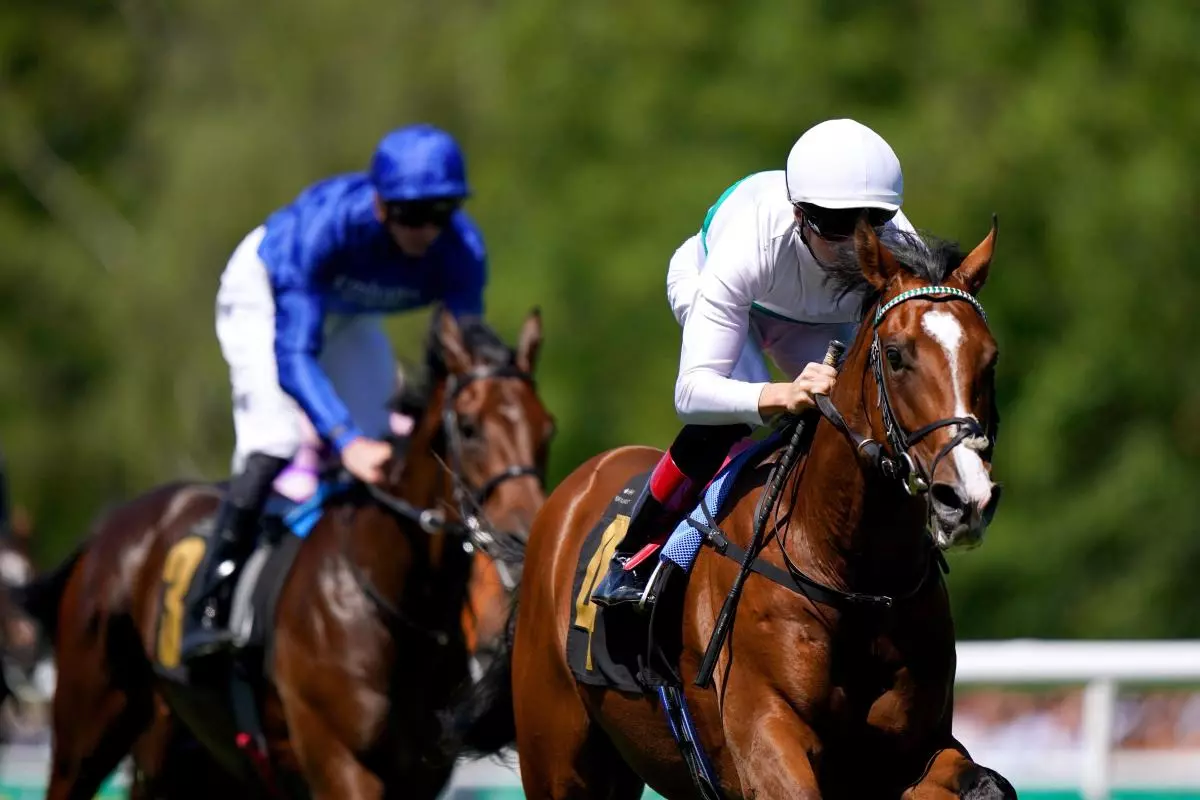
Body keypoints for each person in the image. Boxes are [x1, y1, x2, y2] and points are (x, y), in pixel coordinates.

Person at [182, 123, 487, 661]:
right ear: (379, 206)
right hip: (266, 294)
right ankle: (209, 599)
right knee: (274, 440)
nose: (425, 232)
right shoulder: (326, 230)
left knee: (381, 459)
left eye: (440, 214)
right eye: (411, 215)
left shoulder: (461, 249)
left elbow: (463, 357)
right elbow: (293, 355)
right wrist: (343, 438)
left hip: (350, 316)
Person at [590, 118, 917, 608]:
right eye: (835, 224)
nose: (855, 243)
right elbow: (693, 394)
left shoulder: (902, 246)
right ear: (799, 214)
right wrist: (782, 394)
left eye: (871, 221)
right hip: (721, 292)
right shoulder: (751, 242)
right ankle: (637, 553)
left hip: (811, 319)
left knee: (857, 413)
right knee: (731, 419)